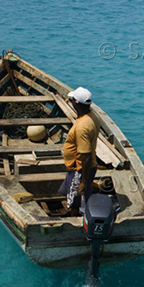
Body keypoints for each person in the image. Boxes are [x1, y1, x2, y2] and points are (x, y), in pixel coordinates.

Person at [58, 87, 99, 215]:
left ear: (76, 103)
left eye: (71, 100)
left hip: (80, 169)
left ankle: (75, 219)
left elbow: (85, 156)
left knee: (76, 200)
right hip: (80, 166)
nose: (69, 102)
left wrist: (84, 182)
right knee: (72, 195)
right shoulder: (92, 115)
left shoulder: (82, 127)